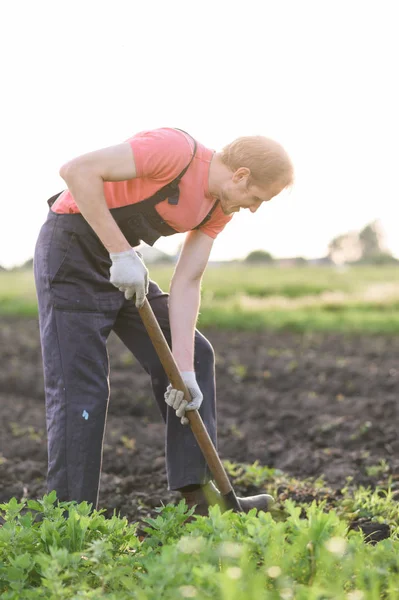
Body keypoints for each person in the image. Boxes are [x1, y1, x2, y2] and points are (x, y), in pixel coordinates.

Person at [34, 127, 294, 515]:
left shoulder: (219, 206)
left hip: (121, 264)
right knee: (82, 389)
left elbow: (187, 281)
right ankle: (70, 518)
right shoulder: (174, 151)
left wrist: (183, 371)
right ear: (240, 175)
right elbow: (76, 171)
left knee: (196, 355)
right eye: (256, 198)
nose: (253, 208)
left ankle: (201, 500)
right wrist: (121, 253)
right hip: (72, 255)